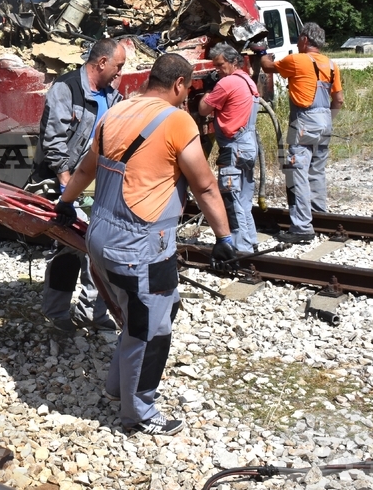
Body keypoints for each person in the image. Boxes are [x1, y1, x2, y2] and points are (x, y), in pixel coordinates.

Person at [54, 53, 237, 436]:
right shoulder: (177, 121)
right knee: (152, 329)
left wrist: (66, 202)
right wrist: (224, 237)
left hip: (100, 239)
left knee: (139, 316)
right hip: (139, 247)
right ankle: (139, 413)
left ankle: (116, 389)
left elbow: (86, 168)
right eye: (187, 89)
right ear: (179, 84)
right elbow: (205, 185)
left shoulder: (116, 112)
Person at [28, 37, 127, 332]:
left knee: (98, 248)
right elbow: (53, 140)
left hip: (95, 186)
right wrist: (66, 186)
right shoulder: (66, 89)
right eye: (118, 66)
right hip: (61, 182)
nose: (120, 72)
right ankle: (58, 312)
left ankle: (91, 311)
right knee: (73, 248)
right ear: (102, 63)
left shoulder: (113, 97)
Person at [261, 23, 344, 244]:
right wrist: (326, 121)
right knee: (317, 170)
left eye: (299, 39)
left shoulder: (297, 60)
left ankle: (302, 227)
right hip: (325, 120)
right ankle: (319, 215)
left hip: (305, 120)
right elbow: (339, 100)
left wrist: (261, 52)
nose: (298, 43)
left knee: (297, 170)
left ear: (305, 40)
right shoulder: (331, 64)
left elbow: (267, 67)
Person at [198, 44, 261, 252]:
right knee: (243, 198)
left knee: (231, 199)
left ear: (233, 62)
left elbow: (203, 109)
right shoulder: (247, 80)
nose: (217, 70)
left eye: (220, 65)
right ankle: (250, 241)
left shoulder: (227, 83)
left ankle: (240, 248)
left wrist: (209, 89)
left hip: (234, 146)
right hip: (248, 144)